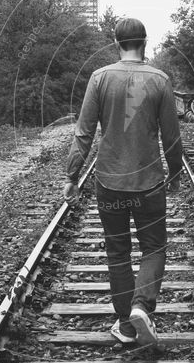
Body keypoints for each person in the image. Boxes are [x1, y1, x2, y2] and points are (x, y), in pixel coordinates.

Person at [64, 17, 183, 346]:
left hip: (110, 182)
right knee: (154, 247)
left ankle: (125, 323)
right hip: (149, 182)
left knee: (118, 252)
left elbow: (83, 133)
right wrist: (175, 174)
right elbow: (172, 138)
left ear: (116, 44)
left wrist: (72, 175)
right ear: (145, 42)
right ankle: (141, 306)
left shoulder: (100, 78)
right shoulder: (160, 80)